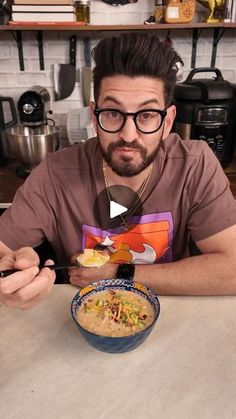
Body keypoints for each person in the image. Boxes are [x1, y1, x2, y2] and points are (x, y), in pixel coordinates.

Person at [0, 32, 236, 310]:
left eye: (147, 115)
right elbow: (5, 251)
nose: (128, 134)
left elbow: (231, 268)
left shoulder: (195, 165)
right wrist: (12, 271)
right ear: (94, 115)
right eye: (113, 113)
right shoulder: (54, 173)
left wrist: (119, 272)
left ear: (168, 120)